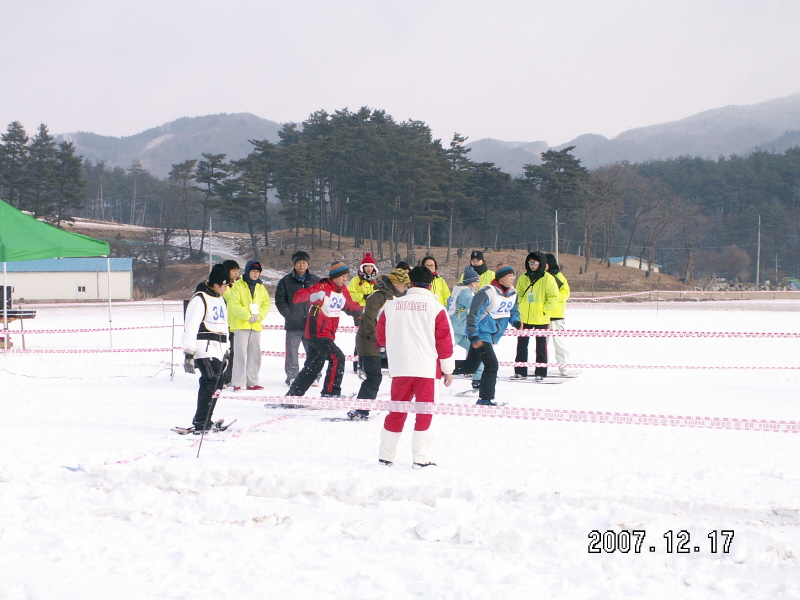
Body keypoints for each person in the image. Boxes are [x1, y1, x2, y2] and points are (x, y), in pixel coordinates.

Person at [375, 266, 455, 467]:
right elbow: (444, 342)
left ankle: (386, 455)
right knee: (424, 413)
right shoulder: (436, 308)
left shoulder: (390, 306)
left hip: (400, 368)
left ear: (410, 283)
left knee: (396, 411)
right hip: (426, 369)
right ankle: (420, 458)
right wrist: (448, 370)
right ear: (430, 284)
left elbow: (381, 337)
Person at [286, 261, 362, 400]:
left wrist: (359, 313)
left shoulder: (342, 290)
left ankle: (293, 395)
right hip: (317, 333)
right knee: (337, 357)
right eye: (342, 276)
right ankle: (330, 392)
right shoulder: (322, 287)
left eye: (346, 276)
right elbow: (297, 298)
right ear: (334, 276)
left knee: (313, 366)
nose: (345, 279)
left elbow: (349, 304)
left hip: (328, 333)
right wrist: (312, 297)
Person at [348, 268, 410, 420]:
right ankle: (361, 409)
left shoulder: (395, 298)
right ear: (395, 283)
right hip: (369, 342)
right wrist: (376, 340)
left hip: (383, 342)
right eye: (404, 285)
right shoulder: (377, 297)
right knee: (374, 376)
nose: (406, 288)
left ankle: (363, 408)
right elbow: (369, 320)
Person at [182, 264, 231, 433]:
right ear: (216, 283)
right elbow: (191, 326)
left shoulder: (220, 299)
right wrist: (189, 353)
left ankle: (203, 418)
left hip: (218, 348)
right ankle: (202, 421)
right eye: (225, 285)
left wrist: (227, 350)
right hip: (203, 347)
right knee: (214, 381)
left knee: (214, 383)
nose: (226, 288)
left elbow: (225, 326)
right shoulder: (199, 298)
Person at [465, 264, 521, 406]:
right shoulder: (487, 292)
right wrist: (474, 335)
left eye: (513, 276)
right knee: (491, 365)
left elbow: (513, 311)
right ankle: (485, 399)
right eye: (509, 276)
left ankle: (439, 369)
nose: (512, 279)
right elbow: (473, 315)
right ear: (501, 278)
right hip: (480, 334)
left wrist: (516, 322)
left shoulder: (513, 293)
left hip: (491, 335)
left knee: (469, 367)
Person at [275, 250, 320, 386]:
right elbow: (280, 300)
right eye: (299, 262)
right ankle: (292, 376)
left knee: (313, 352)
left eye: (304, 262)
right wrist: (289, 315)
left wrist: (317, 315)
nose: (301, 265)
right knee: (292, 353)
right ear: (294, 264)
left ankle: (314, 375)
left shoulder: (315, 280)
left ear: (308, 264)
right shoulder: (286, 281)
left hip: (311, 324)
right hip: (293, 324)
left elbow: (322, 299)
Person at [513, 251, 559, 381]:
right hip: (525, 317)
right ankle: (520, 371)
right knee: (521, 345)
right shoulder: (523, 277)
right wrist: (521, 306)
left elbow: (553, 297)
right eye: (530, 263)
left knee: (541, 346)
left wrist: (544, 310)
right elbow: (520, 293)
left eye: (534, 263)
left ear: (541, 263)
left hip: (540, 317)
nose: (532, 265)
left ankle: (541, 372)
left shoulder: (548, 279)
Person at [228, 260, 271, 391]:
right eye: (253, 271)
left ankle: (252, 381)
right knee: (240, 354)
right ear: (247, 272)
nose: (255, 274)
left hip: (255, 325)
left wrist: (259, 316)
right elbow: (234, 304)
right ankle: (238, 382)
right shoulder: (238, 286)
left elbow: (266, 304)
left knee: (254, 354)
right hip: (241, 325)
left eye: (257, 272)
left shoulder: (261, 287)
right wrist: (247, 316)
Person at [448, 266, 484, 390]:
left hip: (460, 328)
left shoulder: (457, 289)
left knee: (477, 352)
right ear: (469, 282)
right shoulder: (465, 291)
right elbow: (474, 305)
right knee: (443, 353)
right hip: (456, 328)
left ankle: (478, 378)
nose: (477, 284)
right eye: (475, 282)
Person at [348, 252, 379, 372]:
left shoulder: (377, 281)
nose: (369, 269)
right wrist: (363, 296)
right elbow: (350, 295)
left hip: (373, 313)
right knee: (361, 338)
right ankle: (359, 362)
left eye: (371, 266)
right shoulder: (356, 280)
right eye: (366, 266)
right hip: (359, 312)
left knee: (372, 338)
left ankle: (371, 362)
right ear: (362, 268)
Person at [545, 253, 571, 375]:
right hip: (542, 315)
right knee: (541, 343)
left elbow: (565, 293)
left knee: (560, 342)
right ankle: (542, 365)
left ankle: (563, 366)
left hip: (556, 315)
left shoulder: (558, 276)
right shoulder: (541, 277)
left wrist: (551, 298)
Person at [221, 259, 240, 387]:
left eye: (237, 271)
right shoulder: (223, 287)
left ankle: (229, 376)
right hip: (223, 324)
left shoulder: (236, 285)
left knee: (234, 351)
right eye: (233, 271)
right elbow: (230, 297)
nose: (236, 273)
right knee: (223, 352)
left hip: (234, 323)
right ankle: (221, 376)